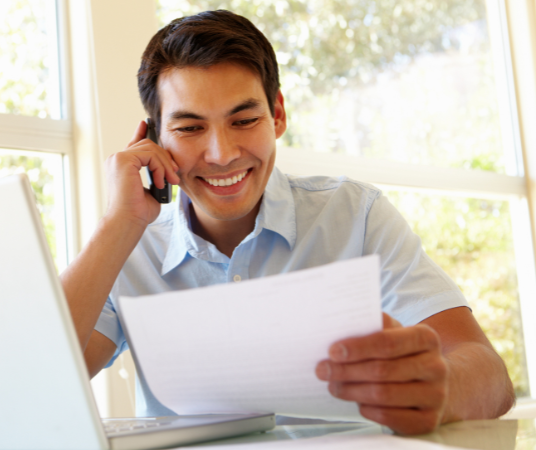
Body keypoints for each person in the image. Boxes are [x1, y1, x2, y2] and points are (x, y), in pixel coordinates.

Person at [60, 10, 515, 435]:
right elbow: (41, 374)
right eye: (190, 128)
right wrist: (118, 223)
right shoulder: (128, 247)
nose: (221, 154)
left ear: (276, 115)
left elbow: (491, 379)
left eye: (244, 119)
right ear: (153, 138)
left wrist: (442, 389)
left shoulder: (355, 215)